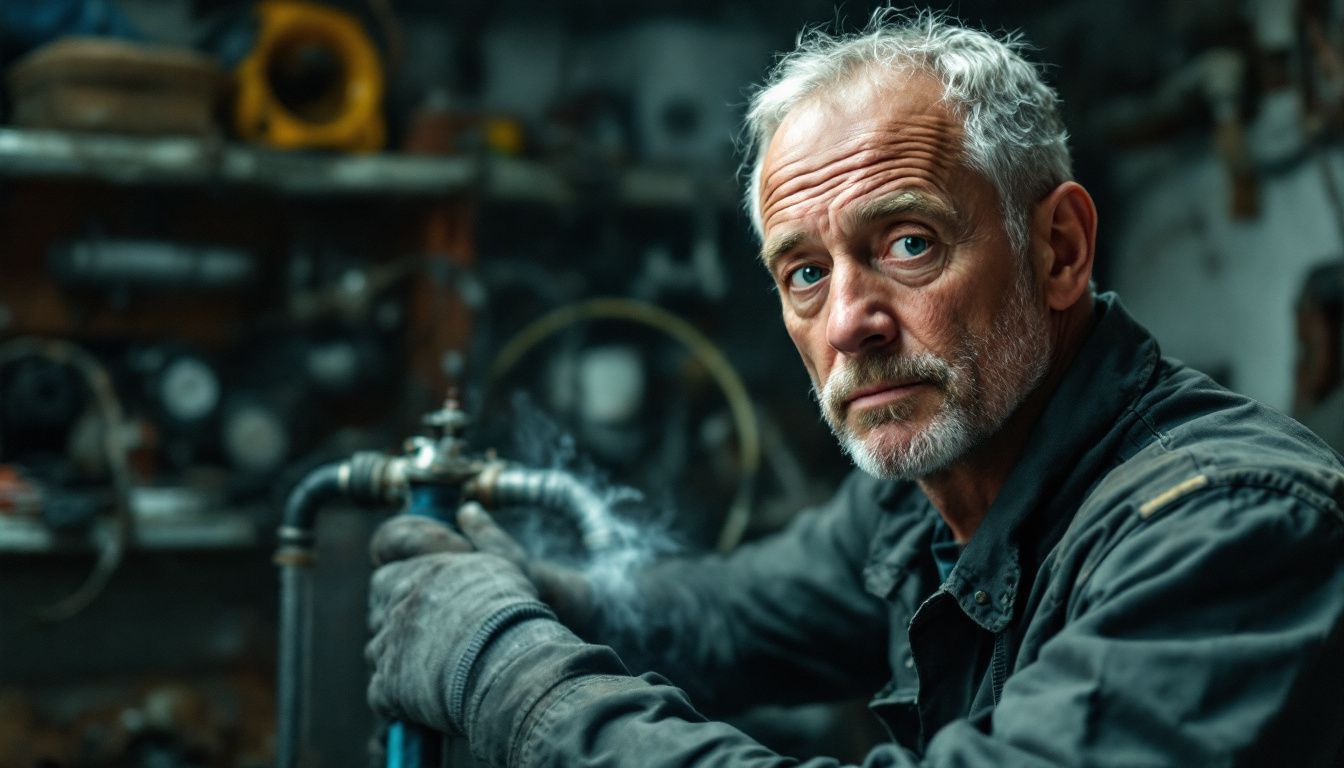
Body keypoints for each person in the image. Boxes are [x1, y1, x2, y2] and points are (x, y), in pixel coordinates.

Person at [365, 12, 1344, 767]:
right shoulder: (927, 497)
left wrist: (504, 671)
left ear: (1058, 249)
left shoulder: (1231, 528)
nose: (847, 324)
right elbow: (735, 614)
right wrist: (543, 592)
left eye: (908, 244)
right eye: (804, 273)